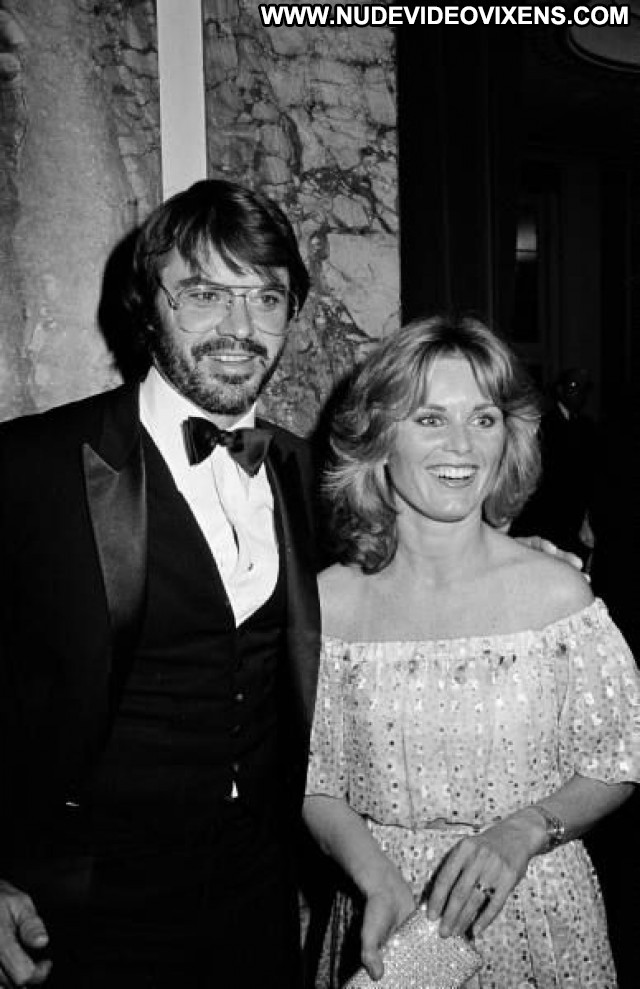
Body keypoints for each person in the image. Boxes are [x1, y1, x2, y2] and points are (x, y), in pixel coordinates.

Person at [0, 179, 320, 988]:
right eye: (205, 294)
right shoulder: (30, 465)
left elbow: (398, 565)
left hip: (259, 897)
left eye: (267, 297)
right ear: (148, 304)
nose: (241, 327)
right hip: (85, 911)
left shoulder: (303, 469)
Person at [303, 315, 639, 988]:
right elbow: (312, 780)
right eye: (431, 418)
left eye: (483, 419)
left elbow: (619, 755)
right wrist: (376, 876)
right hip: (385, 908)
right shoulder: (325, 604)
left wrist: (525, 830)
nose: (462, 444)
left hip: (533, 910)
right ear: (379, 436)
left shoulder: (557, 593)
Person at [510, 366, 599, 567]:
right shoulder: (545, 425)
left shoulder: (587, 426)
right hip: (550, 518)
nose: (579, 393)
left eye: (583, 388)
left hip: (576, 517)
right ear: (560, 390)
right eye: (573, 386)